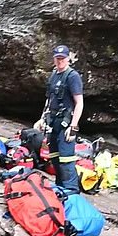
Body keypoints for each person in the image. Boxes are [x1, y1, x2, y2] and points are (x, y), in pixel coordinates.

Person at [35, 44, 84, 193]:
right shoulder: (54, 74)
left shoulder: (73, 76)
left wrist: (73, 127)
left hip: (66, 123)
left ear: (68, 58)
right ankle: (60, 187)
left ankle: (71, 191)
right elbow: (49, 99)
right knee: (55, 157)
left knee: (66, 159)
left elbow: (79, 103)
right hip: (53, 121)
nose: (60, 61)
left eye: (62, 58)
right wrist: (42, 118)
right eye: (57, 58)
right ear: (54, 59)